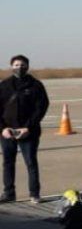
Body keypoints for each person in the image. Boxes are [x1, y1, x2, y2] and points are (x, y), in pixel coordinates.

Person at [0, 55, 49, 204]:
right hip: (7, 131)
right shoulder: (4, 85)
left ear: (27, 66)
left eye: (22, 65)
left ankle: (34, 193)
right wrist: (3, 128)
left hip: (29, 132)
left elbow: (41, 107)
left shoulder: (35, 85)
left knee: (31, 162)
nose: (19, 68)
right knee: (8, 162)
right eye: (16, 65)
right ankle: (9, 193)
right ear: (11, 66)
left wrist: (28, 127)